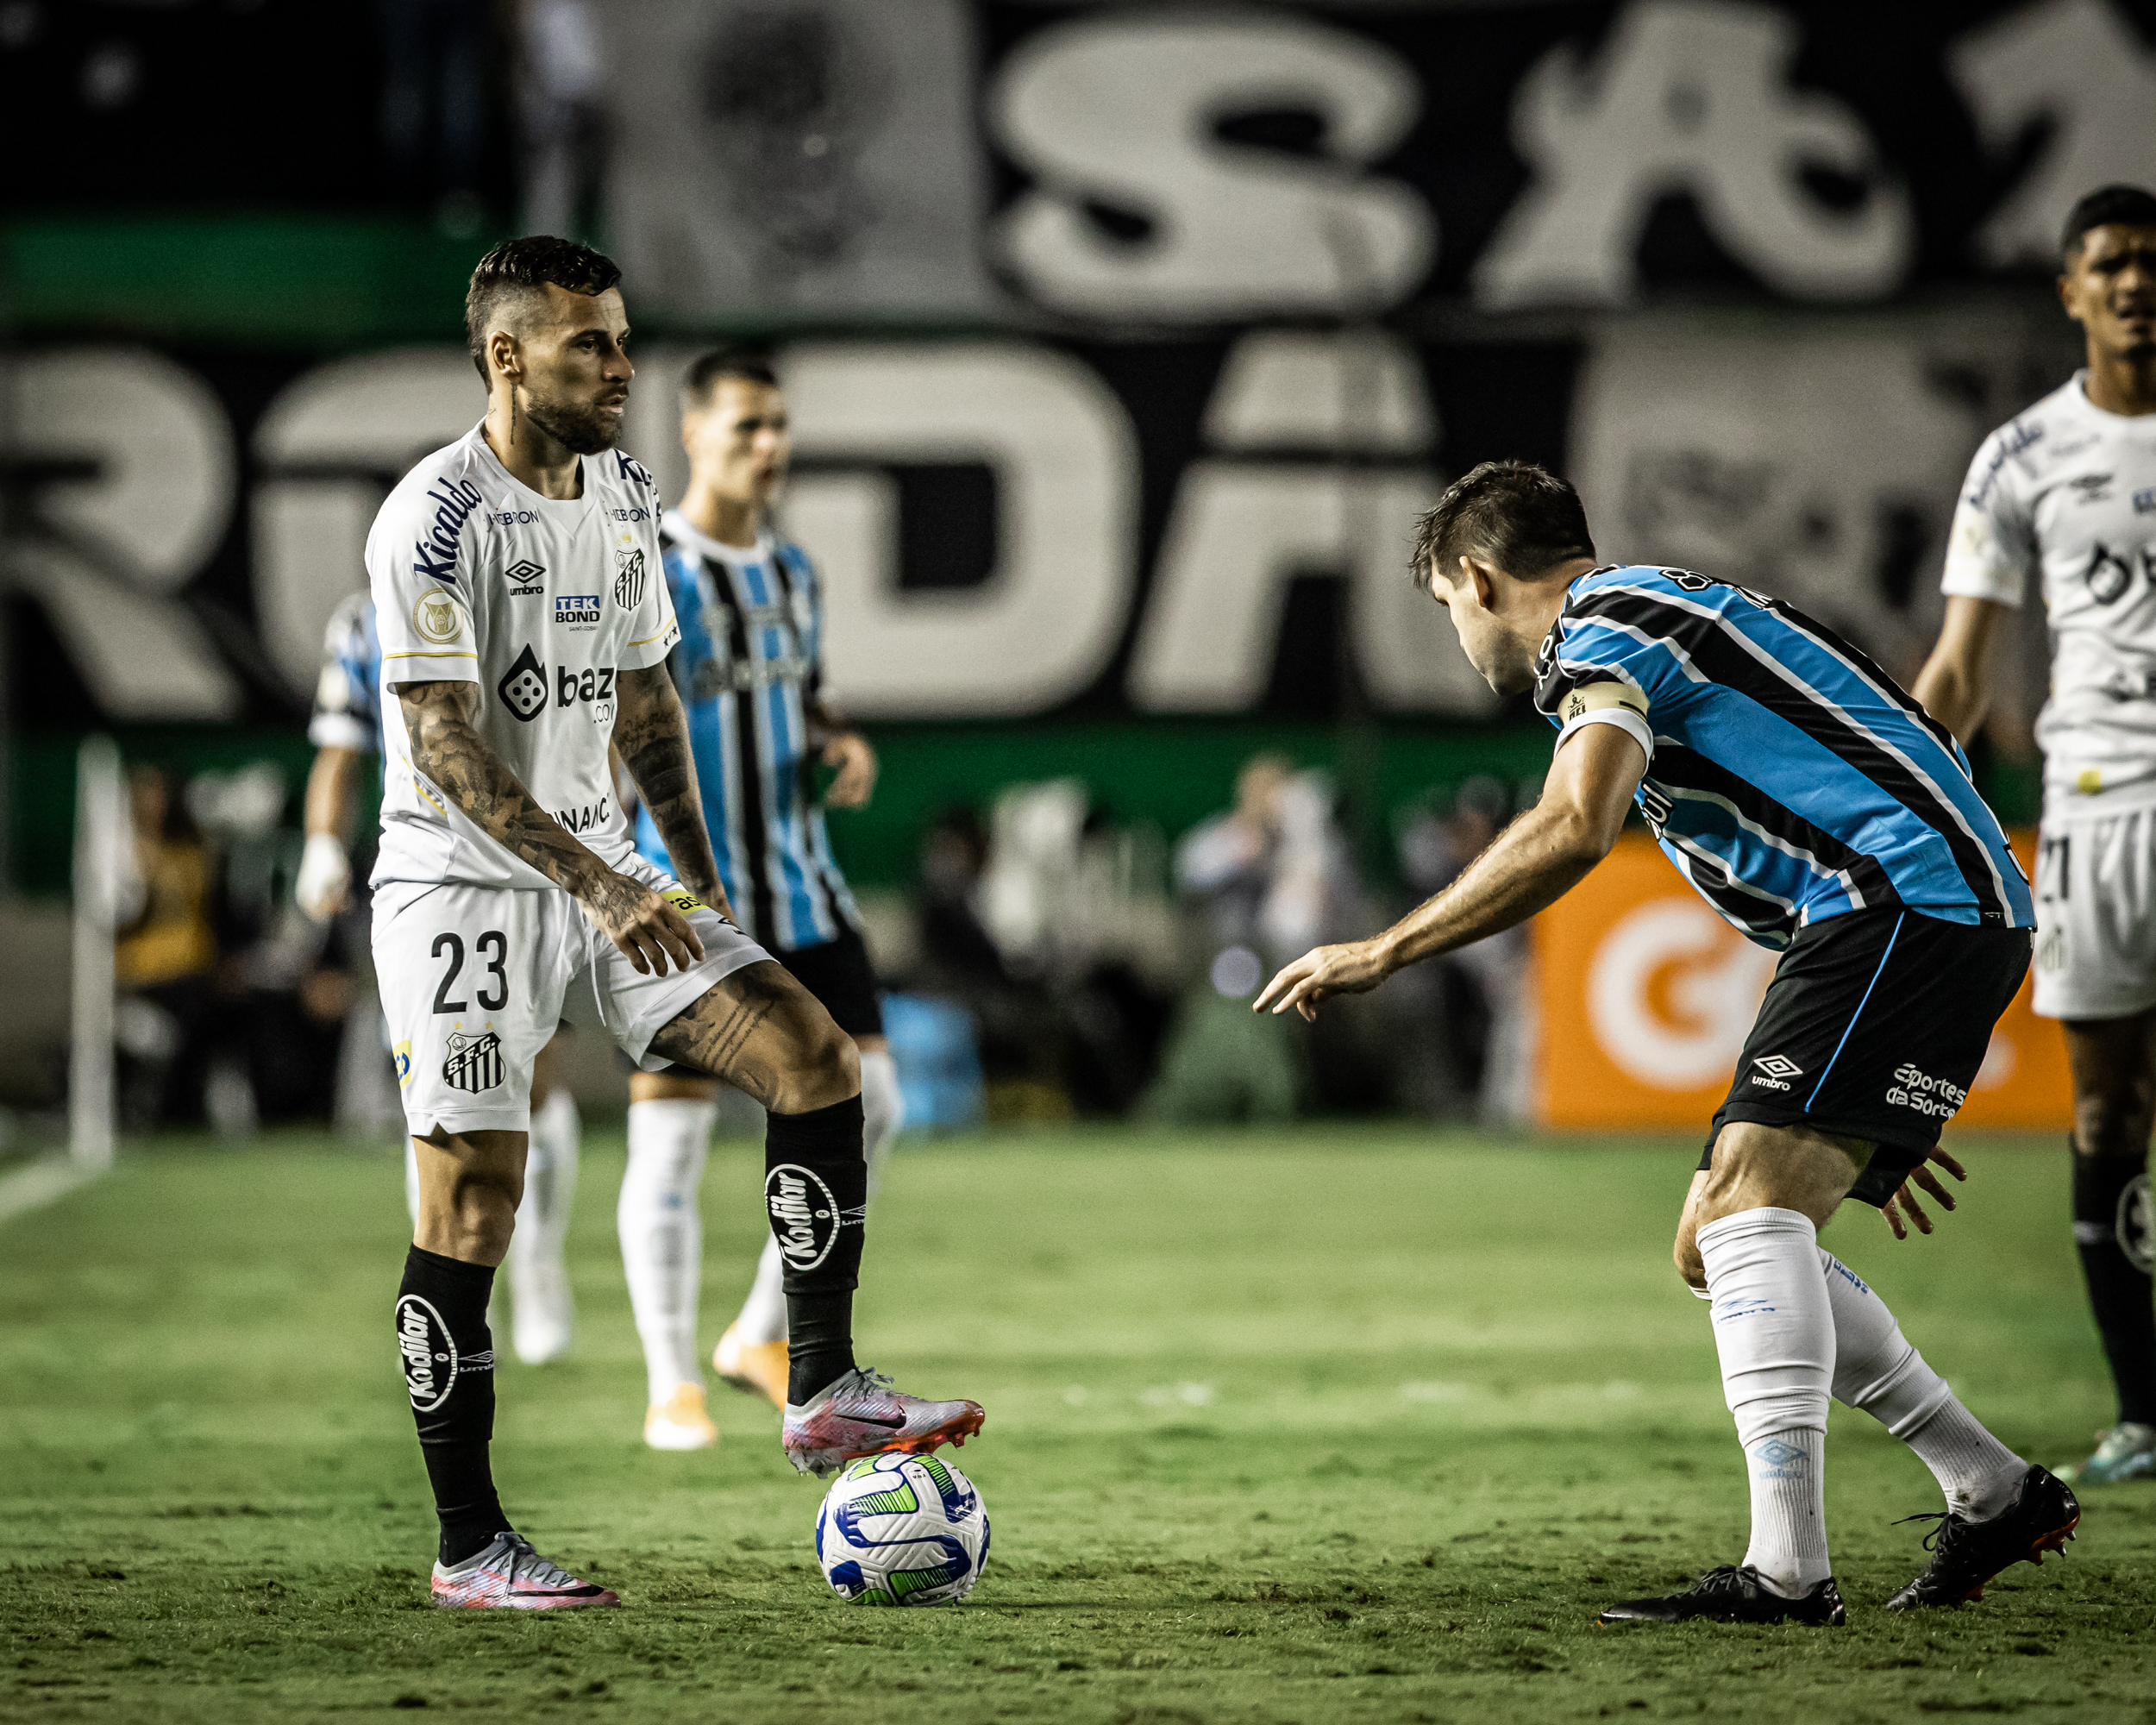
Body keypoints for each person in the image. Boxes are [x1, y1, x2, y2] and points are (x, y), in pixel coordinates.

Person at [1258, 460, 2076, 1626]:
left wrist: (1380, 950)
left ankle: (1788, 1573)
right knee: (1719, 1241)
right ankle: (1991, 1487)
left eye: (1447, 606)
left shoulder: (1603, 630)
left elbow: (1574, 824)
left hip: (1898, 903)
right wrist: (1886, 1068)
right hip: (1919, 911)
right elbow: (1903, 732)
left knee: (1750, 1214)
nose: (1459, 634)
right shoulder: (1666, 606)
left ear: (1480, 582)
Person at [368, 236, 981, 1609]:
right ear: (507, 356)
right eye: (591, 344)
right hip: (459, 890)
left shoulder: (629, 492)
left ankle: (818, 1386)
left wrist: (700, 891)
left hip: (609, 870)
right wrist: (602, 888)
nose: (623, 366)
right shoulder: (434, 519)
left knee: (814, 1056)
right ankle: (470, 1549)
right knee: (474, 1201)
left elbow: (651, 710)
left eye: (626, 339)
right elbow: (447, 749)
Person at [1911, 185, 2156, 1488]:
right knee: (2109, 1108)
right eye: (2110, 264)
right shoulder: (2021, 457)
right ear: (2071, 290)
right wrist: (1894, 791)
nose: (2134, 282)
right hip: (2104, 801)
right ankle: (2143, 1409)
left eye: (2149, 263)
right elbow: (1959, 669)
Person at [618, 348, 904, 1451]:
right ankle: (667, 1385)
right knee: (673, 1147)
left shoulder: (793, 572)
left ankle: (750, 1335)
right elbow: (611, 720)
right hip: (690, 896)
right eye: (745, 427)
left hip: (804, 882)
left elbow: (806, 691)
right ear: (692, 434)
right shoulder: (654, 571)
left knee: (874, 1100)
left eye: (778, 425)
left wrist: (837, 741)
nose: (767, 446)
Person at [298, 591, 582, 1365]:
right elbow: (340, 746)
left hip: (533, 866)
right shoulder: (365, 623)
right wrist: (323, 843)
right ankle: (455, 1294)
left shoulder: (535, 601)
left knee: (536, 1075)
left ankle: (540, 1263)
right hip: (427, 881)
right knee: (437, 1090)